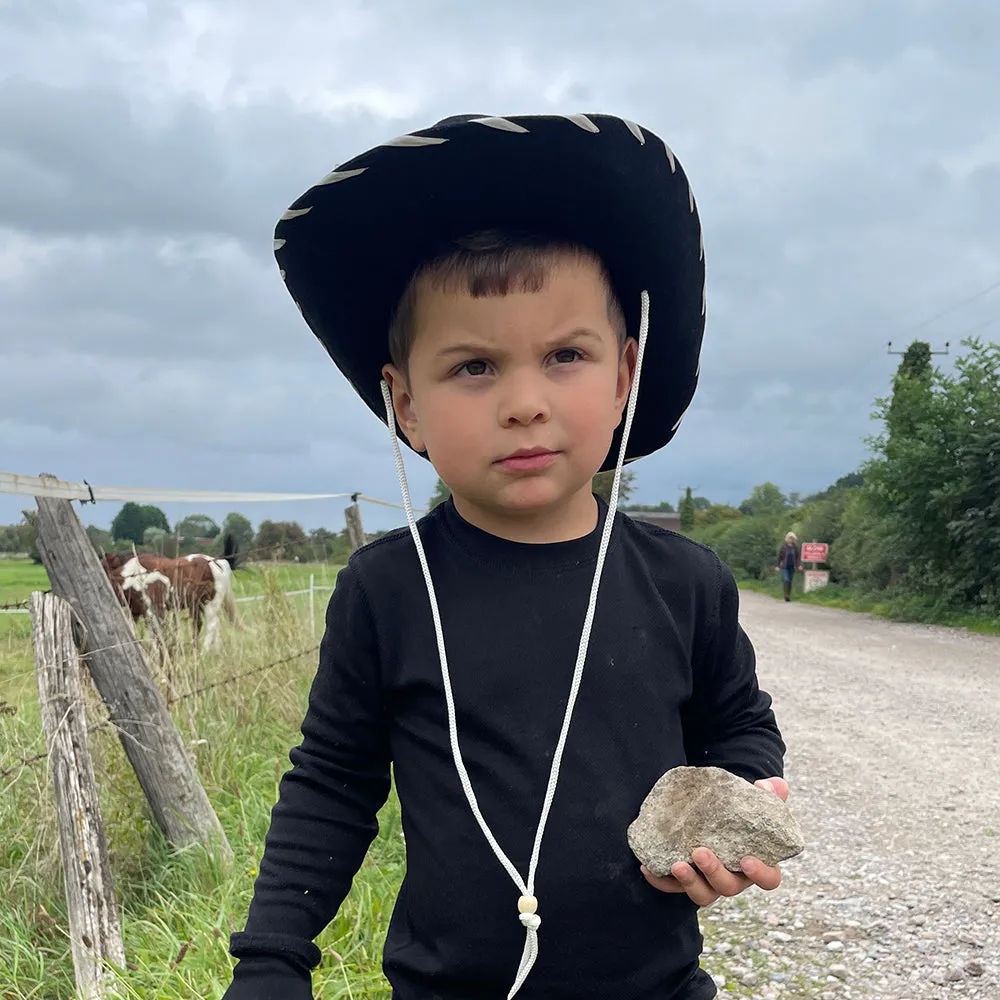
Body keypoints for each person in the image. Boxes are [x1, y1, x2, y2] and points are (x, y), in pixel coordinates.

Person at [223, 113, 788, 1000]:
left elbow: (739, 724)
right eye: (474, 367)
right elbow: (333, 781)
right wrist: (272, 955)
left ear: (625, 375)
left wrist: (742, 796)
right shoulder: (388, 590)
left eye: (566, 354)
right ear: (404, 403)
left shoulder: (687, 584)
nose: (525, 402)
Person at [776, 532, 801, 602]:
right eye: (790, 538)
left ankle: (788, 596)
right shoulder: (783, 547)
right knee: (786, 579)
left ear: (794, 539)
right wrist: (777, 566)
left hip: (792, 567)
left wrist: (799, 565)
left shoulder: (796, 547)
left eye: (792, 538)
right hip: (785, 566)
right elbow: (779, 557)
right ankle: (786, 595)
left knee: (790, 581)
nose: (791, 540)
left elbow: (798, 557)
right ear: (787, 539)